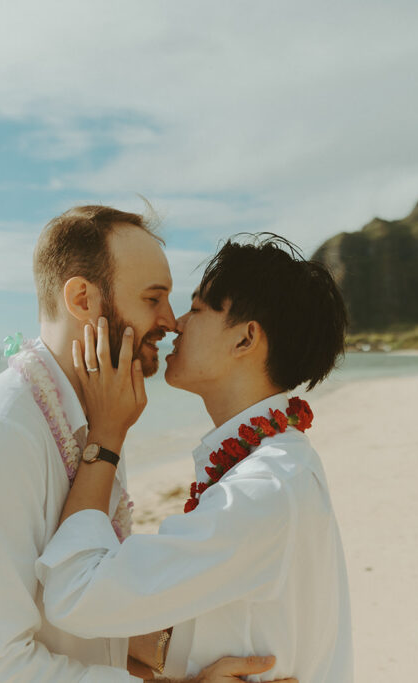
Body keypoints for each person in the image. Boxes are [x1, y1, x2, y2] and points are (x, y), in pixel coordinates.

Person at [0, 206, 293, 683]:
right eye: (153, 298)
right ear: (82, 298)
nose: (171, 321)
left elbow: (84, 635)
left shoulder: (94, 423)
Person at [36, 235, 354, 682]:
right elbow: (219, 630)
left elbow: (75, 595)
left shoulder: (264, 488)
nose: (176, 323)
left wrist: (106, 436)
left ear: (246, 339)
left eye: (199, 309)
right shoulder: (278, 466)